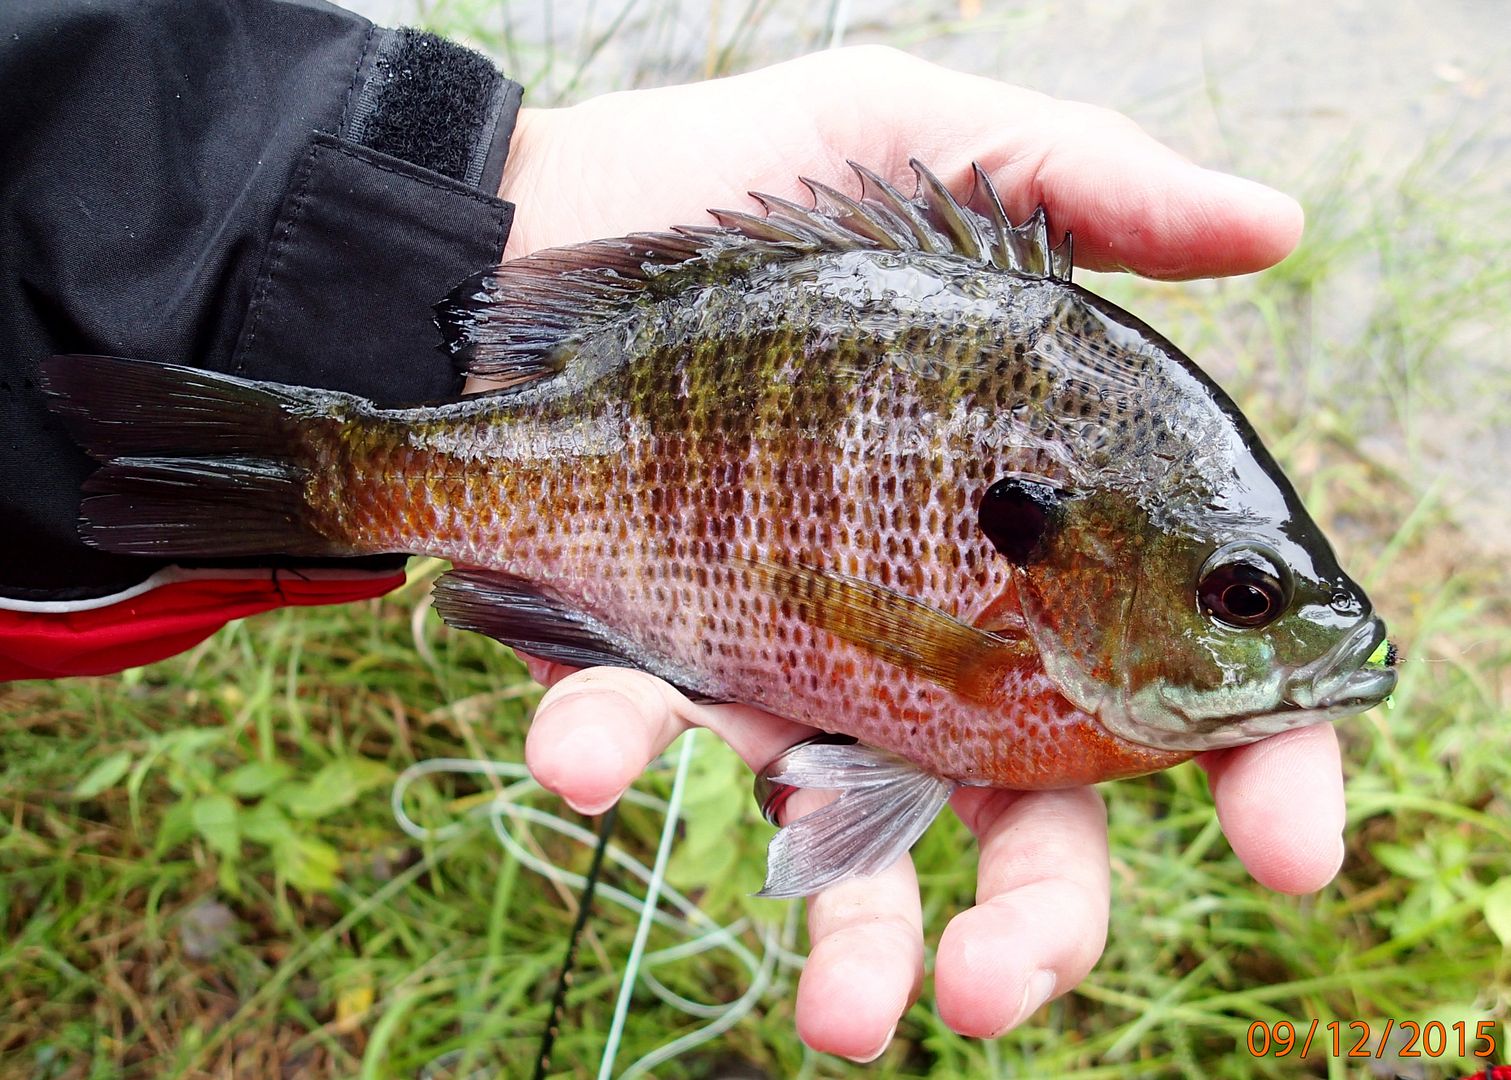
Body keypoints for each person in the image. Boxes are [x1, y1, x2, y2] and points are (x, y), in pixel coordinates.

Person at [0, 0, 1346, 1064]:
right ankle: (324, 471)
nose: (1267, 628)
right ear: (1100, 558)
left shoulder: (1077, 601)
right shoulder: (1031, 665)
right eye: (1241, 597)